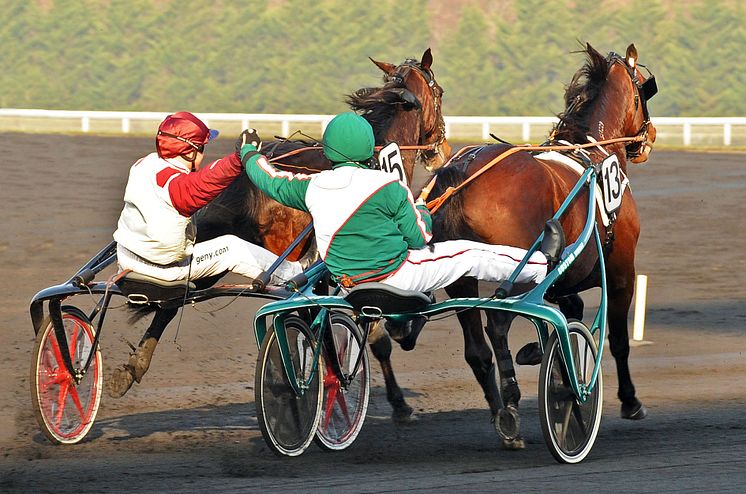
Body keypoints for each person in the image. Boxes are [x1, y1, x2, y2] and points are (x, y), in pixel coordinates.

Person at [239, 111, 563, 297]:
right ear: (369, 148)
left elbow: (269, 179)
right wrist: (421, 208)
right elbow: (420, 237)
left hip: (346, 284)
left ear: (330, 150)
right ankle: (540, 265)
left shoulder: (313, 186)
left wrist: (249, 152)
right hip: (399, 279)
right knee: (469, 253)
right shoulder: (388, 184)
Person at [109, 111, 302, 398]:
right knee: (233, 247)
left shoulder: (143, 166)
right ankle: (297, 274)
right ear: (189, 151)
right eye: (201, 149)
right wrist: (243, 156)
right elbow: (204, 184)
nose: (203, 154)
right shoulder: (181, 188)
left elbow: (194, 182)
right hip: (167, 270)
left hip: (127, 262)